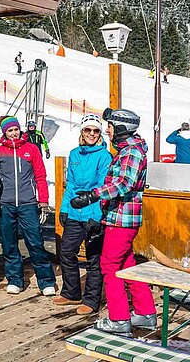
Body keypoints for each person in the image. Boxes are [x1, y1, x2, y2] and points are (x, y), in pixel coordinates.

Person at [70, 107, 157, 335]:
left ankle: (118, 319)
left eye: (109, 126)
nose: (107, 131)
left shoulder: (132, 152)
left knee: (109, 265)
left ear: (120, 128)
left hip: (123, 219)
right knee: (126, 264)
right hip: (117, 216)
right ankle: (145, 312)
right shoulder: (127, 150)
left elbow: (124, 183)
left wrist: (94, 194)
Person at [0, 116, 57, 296]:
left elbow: (40, 177)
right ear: (4, 132)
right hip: (6, 204)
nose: (14, 133)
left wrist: (43, 201)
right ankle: (15, 279)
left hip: (28, 203)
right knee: (9, 244)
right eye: (10, 130)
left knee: (35, 242)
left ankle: (46, 281)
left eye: (16, 129)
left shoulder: (31, 149)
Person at [54, 114, 112, 315]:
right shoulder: (75, 154)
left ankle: (91, 299)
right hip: (74, 210)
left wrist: (96, 216)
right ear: (82, 131)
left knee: (93, 257)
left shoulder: (105, 156)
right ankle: (71, 292)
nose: (92, 134)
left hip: (93, 211)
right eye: (88, 130)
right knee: (67, 251)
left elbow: (102, 187)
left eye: (96, 131)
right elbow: (70, 183)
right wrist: (63, 208)